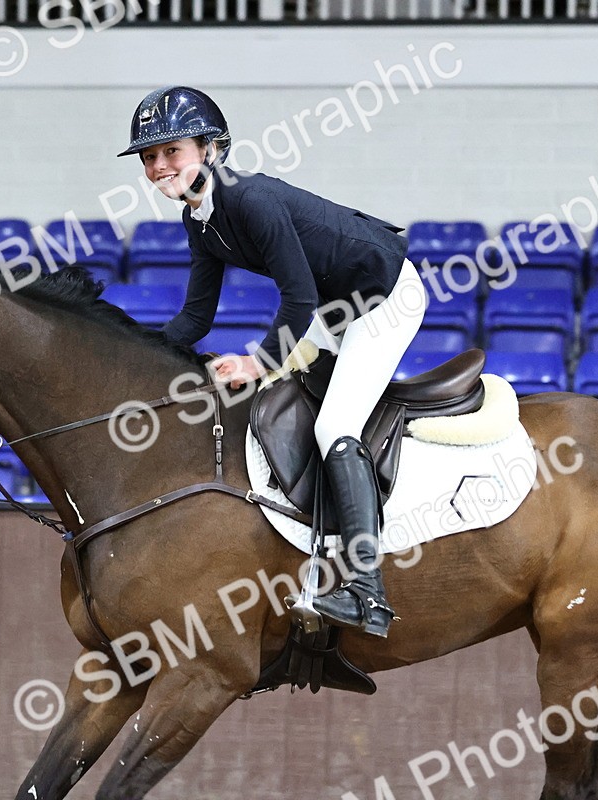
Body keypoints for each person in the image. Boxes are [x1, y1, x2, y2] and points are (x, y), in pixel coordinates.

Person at [118, 86, 426, 638]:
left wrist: (257, 363)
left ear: (210, 149)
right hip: (336, 308)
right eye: (149, 156)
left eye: (171, 151)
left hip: (384, 296)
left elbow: (298, 298)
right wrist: (130, 353)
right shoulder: (199, 219)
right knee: (298, 410)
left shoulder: (250, 200)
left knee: (334, 425)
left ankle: (367, 590)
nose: (159, 165)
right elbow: (195, 318)